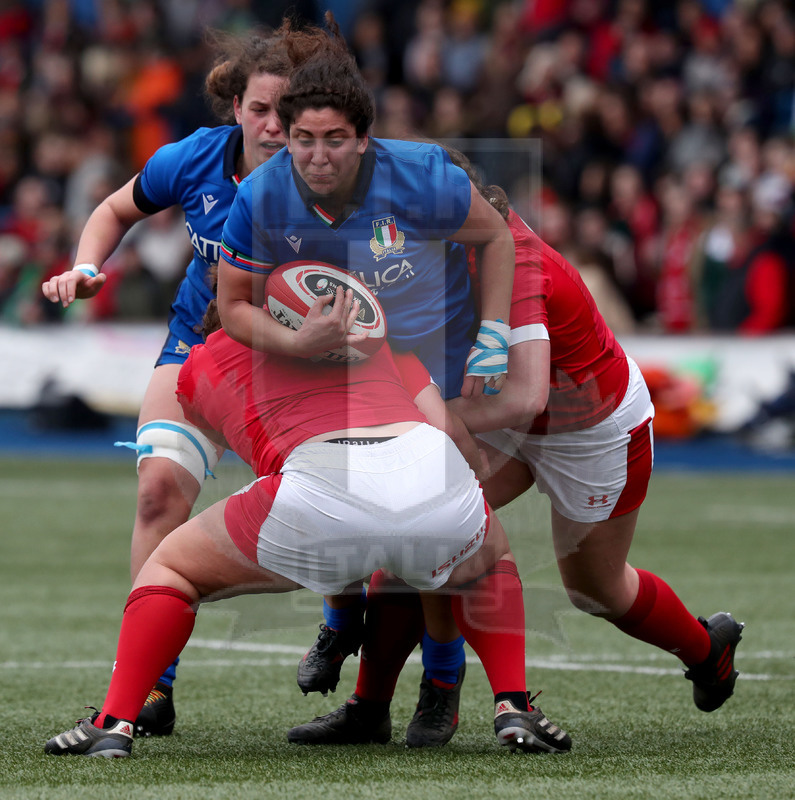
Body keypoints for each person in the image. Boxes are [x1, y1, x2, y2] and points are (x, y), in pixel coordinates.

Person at [286, 157, 745, 747]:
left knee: (595, 590)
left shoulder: (517, 261)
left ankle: (709, 652)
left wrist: (413, 417)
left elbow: (526, 398)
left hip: (589, 430)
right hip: (505, 414)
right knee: (412, 522)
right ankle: (373, 706)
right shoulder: (436, 244)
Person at [43, 293, 570, 758]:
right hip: (429, 464)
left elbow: (268, 457)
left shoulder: (205, 358)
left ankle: (114, 722)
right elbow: (442, 427)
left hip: (319, 485)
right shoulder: (379, 338)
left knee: (171, 570)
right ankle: (513, 704)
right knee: (491, 556)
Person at [38, 25, 307, 737]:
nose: (273, 126)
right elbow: (114, 209)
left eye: (288, 112)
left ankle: (354, 632)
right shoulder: (195, 158)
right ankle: (150, 687)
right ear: (236, 108)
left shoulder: (326, 175)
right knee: (158, 492)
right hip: (195, 349)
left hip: (293, 368)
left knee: (338, 517)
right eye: (259, 110)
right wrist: (88, 265)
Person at [216, 12, 515, 404]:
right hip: (349, 370)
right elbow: (233, 305)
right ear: (288, 138)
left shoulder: (422, 176)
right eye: (304, 139)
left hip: (446, 353)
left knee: (465, 451)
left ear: (362, 140)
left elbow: (495, 235)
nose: (318, 157)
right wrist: (296, 340)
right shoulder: (259, 198)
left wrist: (494, 336)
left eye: (335, 139)